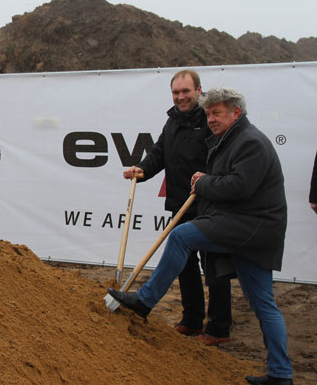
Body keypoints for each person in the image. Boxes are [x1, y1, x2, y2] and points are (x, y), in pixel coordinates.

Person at [108, 87, 292, 385]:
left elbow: (239, 187)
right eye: (208, 114)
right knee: (263, 303)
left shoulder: (251, 142)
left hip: (251, 227)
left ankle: (145, 300)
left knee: (182, 236)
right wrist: (205, 181)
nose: (211, 119)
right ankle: (281, 374)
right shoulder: (229, 140)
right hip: (250, 228)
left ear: (236, 112)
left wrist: (204, 182)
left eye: (217, 113)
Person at [123, 69, 232, 345]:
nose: (181, 97)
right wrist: (142, 170)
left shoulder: (209, 120)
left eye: (186, 91)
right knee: (184, 264)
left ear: (198, 90)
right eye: (176, 92)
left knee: (214, 266)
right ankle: (192, 320)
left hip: (208, 203)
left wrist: (208, 184)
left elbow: (221, 160)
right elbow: (159, 153)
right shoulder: (172, 121)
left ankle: (218, 328)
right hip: (180, 203)